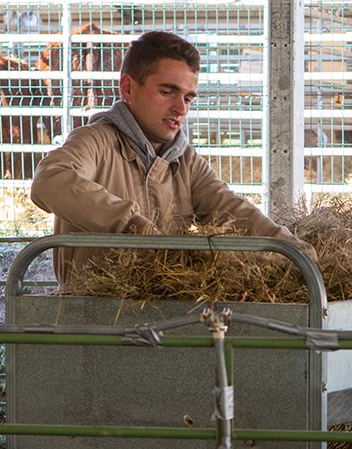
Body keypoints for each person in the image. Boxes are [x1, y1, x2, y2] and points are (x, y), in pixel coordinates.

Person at [30, 30, 314, 290]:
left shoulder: (185, 163)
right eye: (167, 92)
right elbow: (49, 180)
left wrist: (290, 248)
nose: (180, 108)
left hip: (163, 314)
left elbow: (231, 209)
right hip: (91, 315)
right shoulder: (96, 142)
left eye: (188, 98)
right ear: (128, 88)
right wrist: (130, 225)